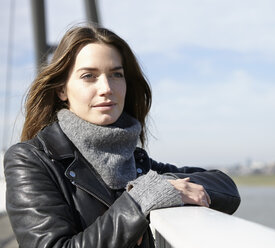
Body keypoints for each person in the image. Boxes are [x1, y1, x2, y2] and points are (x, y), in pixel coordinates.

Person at [3, 25, 240, 248]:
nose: (106, 87)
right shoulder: (31, 160)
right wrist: (139, 202)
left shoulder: (136, 163)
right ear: (62, 89)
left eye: (116, 74)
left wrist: (158, 187)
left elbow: (226, 188)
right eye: (89, 76)